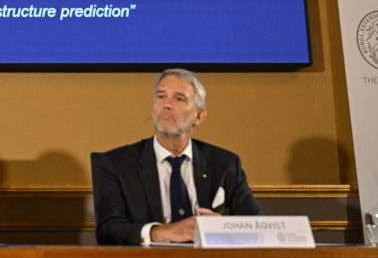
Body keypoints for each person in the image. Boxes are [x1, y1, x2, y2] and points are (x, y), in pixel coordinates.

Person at [91, 68, 261, 245]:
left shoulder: (225, 163)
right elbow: (108, 231)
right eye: (161, 96)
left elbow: (257, 228)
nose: (167, 105)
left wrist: (224, 227)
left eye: (179, 98)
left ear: (199, 116)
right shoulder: (116, 164)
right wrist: (163, 232)